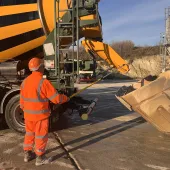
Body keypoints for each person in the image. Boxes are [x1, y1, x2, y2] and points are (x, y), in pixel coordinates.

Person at [20, 57, 69, 166]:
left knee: (29, 134)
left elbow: (22, 102)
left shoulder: (25, 82)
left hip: (28, 116)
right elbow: (56, 99)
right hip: (40, 116)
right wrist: (66, 98)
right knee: (40, 136)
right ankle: (40, 158)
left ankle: (27, 155)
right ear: (40, 67)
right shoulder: (43, 82)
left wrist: (27, 111)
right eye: (42, 66)